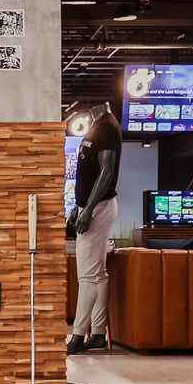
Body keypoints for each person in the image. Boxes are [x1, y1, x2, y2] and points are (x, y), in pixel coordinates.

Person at [68, 102, 122, 355]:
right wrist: (79, 207)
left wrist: (88, 209)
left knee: (87, 275)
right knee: (98, 274)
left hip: (99, 207)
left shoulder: (108, 128)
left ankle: (78, 335)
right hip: (92, 205)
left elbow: (107, 171)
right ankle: (98, 333)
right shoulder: (98, 126)